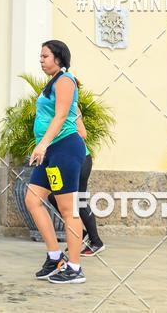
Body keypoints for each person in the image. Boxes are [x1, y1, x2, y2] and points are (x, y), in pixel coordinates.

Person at [25, 39, 87, 284]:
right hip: (51, 151)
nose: (41, 60)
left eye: (45, 56)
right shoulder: (53, 82)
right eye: (40, 56)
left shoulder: (65, 80)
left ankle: (75, 267)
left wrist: (42, 144)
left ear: (58, 58)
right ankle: (55, 258)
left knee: (68, 209)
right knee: (33, 199)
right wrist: (44, 146)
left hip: (64, 149)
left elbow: (61, 115)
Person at [48, 106, 105, 255]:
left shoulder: (72, 107)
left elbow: (82, 133)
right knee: (53, 196)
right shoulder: (49, 105)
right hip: (62, 160)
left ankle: (96, 242)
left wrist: (59, 136)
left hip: (80, 159)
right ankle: (81, 233)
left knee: (78, 201)